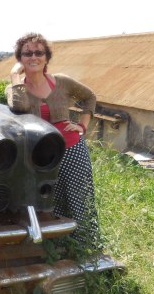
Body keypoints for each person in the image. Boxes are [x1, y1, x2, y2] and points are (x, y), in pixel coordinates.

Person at [6, 32, 101, 251]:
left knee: (79, 198)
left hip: (72, 149)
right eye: (27, 53)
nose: (33, 57)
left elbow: (90, 97)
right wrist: (14, 77)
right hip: (40, 157)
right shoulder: (15, 90)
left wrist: (82, 125)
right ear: (19, 58)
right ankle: (57, 246)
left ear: (47, 57)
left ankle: (86, 248)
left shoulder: (62, 82)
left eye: (39, 52)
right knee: (50, 202)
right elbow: (19, 108)